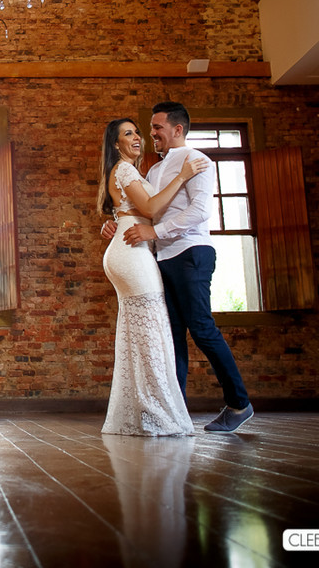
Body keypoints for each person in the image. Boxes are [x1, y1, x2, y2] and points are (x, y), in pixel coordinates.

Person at [102, 102, 253, 433]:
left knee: (201, 328)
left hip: (191, 253)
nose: (150, 134)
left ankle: (239, 403)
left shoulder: (196, 160)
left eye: (156, 128)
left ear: (177, 129)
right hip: (161, 259)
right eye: (147, 129)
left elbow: (200, 211)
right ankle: (174, 411)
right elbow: (141, 208)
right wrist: (116, 221)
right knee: (171, 337)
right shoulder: (153, 171)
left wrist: (155, 232)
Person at [98, 117, 206, 437]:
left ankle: (141, 412)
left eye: (137, 132)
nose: (137, 137)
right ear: (116, 143)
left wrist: (113, 221)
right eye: (127, 133)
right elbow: (149, 208)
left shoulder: (130, 171)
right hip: (132, 255)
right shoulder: (124, 170)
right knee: (150, 332)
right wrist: (183, 175)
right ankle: (153, 413)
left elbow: (130, 210)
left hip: (130, 251)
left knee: (141, 333)